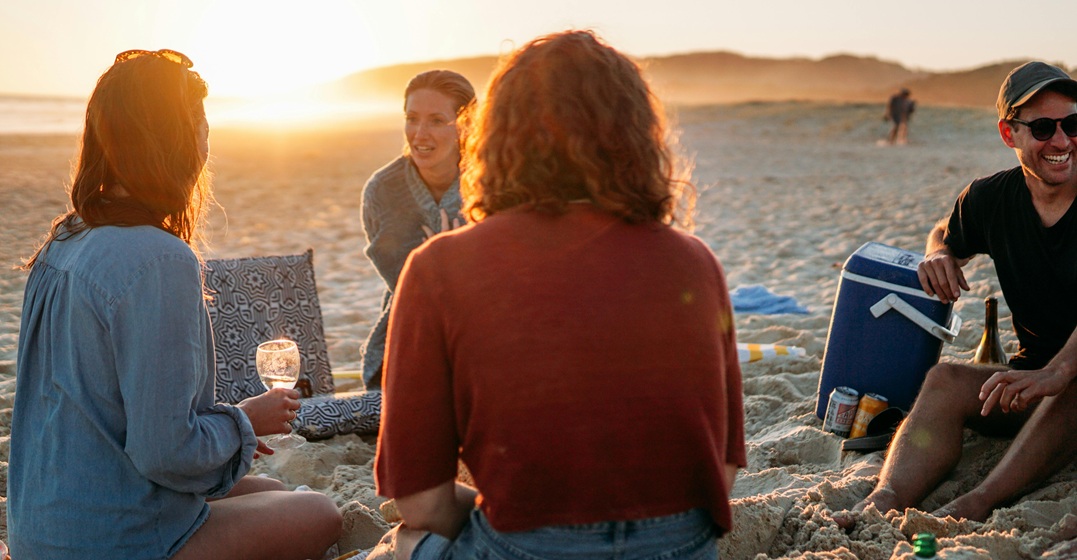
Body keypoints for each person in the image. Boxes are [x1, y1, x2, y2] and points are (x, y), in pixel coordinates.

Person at [370, 30, 746, 559]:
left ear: (496, 135)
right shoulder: (694, 262)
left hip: (529, 544)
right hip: (680, 545)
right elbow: (722, 472)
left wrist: (512, 512)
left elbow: (421, 501)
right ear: (636, 134)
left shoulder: (438, 268)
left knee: (407, 541)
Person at [8, 49, 342, 559]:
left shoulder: (64, 239)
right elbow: (167, 453)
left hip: (45, 525)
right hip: (109, 539)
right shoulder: (158, 258)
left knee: (273, 494)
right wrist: (244, 420)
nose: (208, 140)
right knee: (320, 513)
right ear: (173, 139)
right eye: (201, 124)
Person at [838, 61, 1077, 527]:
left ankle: (978, 502)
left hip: (1066, 379)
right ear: (1009, 135)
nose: (1063, 141)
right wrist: (939, 253)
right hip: (1035, 378)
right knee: (945, 381)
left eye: (1073, 123)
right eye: (1044, 128)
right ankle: (884, 499)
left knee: (1070, 386)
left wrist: (1058, 372)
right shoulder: (990, 199)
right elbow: (944, 231)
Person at [359, 70, 476, 391]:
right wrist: (449, 257)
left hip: (486, 328)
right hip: (412, 327)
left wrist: (436, 258)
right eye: (412, 118)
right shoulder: (383, 190)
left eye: (437, 120)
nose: (420, 134)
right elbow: (409, 288)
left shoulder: (490, 183)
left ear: (465, 124)